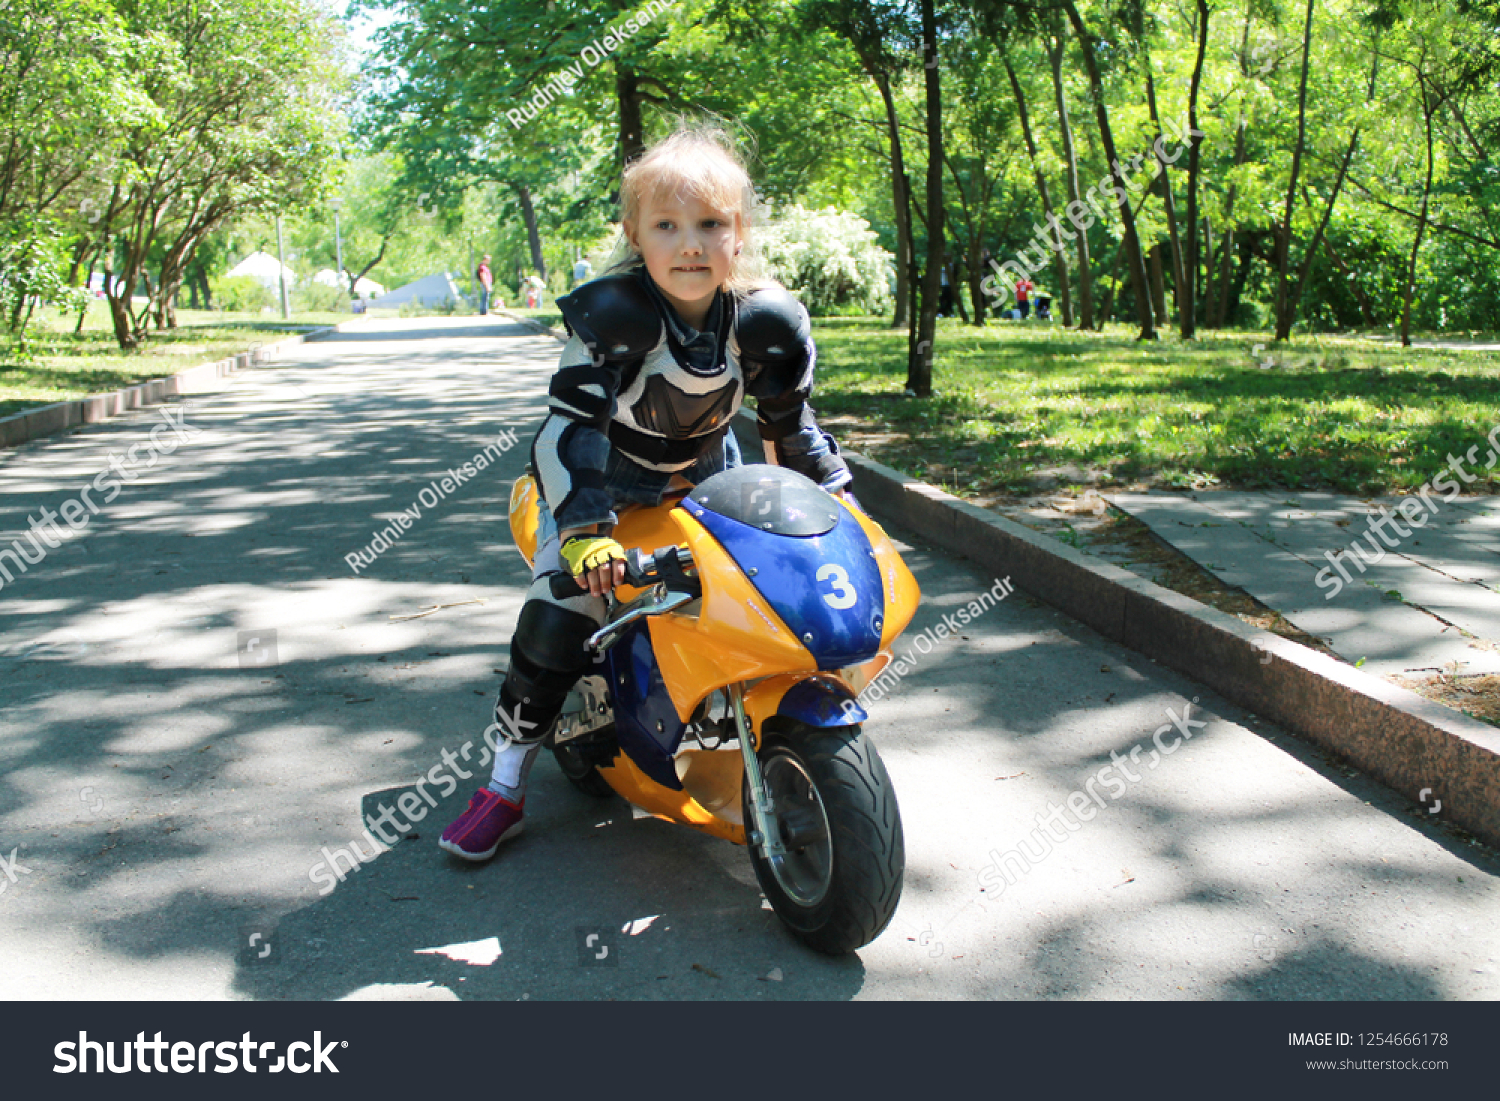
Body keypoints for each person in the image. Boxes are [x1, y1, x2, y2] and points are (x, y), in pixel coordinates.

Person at [439, 126, 853, 861]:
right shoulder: (613, 320)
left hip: (707, 474)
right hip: (599, 486)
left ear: (739, 233)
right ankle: (503, 783)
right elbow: (566, 433)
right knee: (560, 619)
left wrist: (838, 505)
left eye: (709, 225)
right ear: (635, 233)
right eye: (666, 225)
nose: (689, 244)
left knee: (781, 594)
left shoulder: (763, 323)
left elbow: (792, 431)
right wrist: (584, 531)